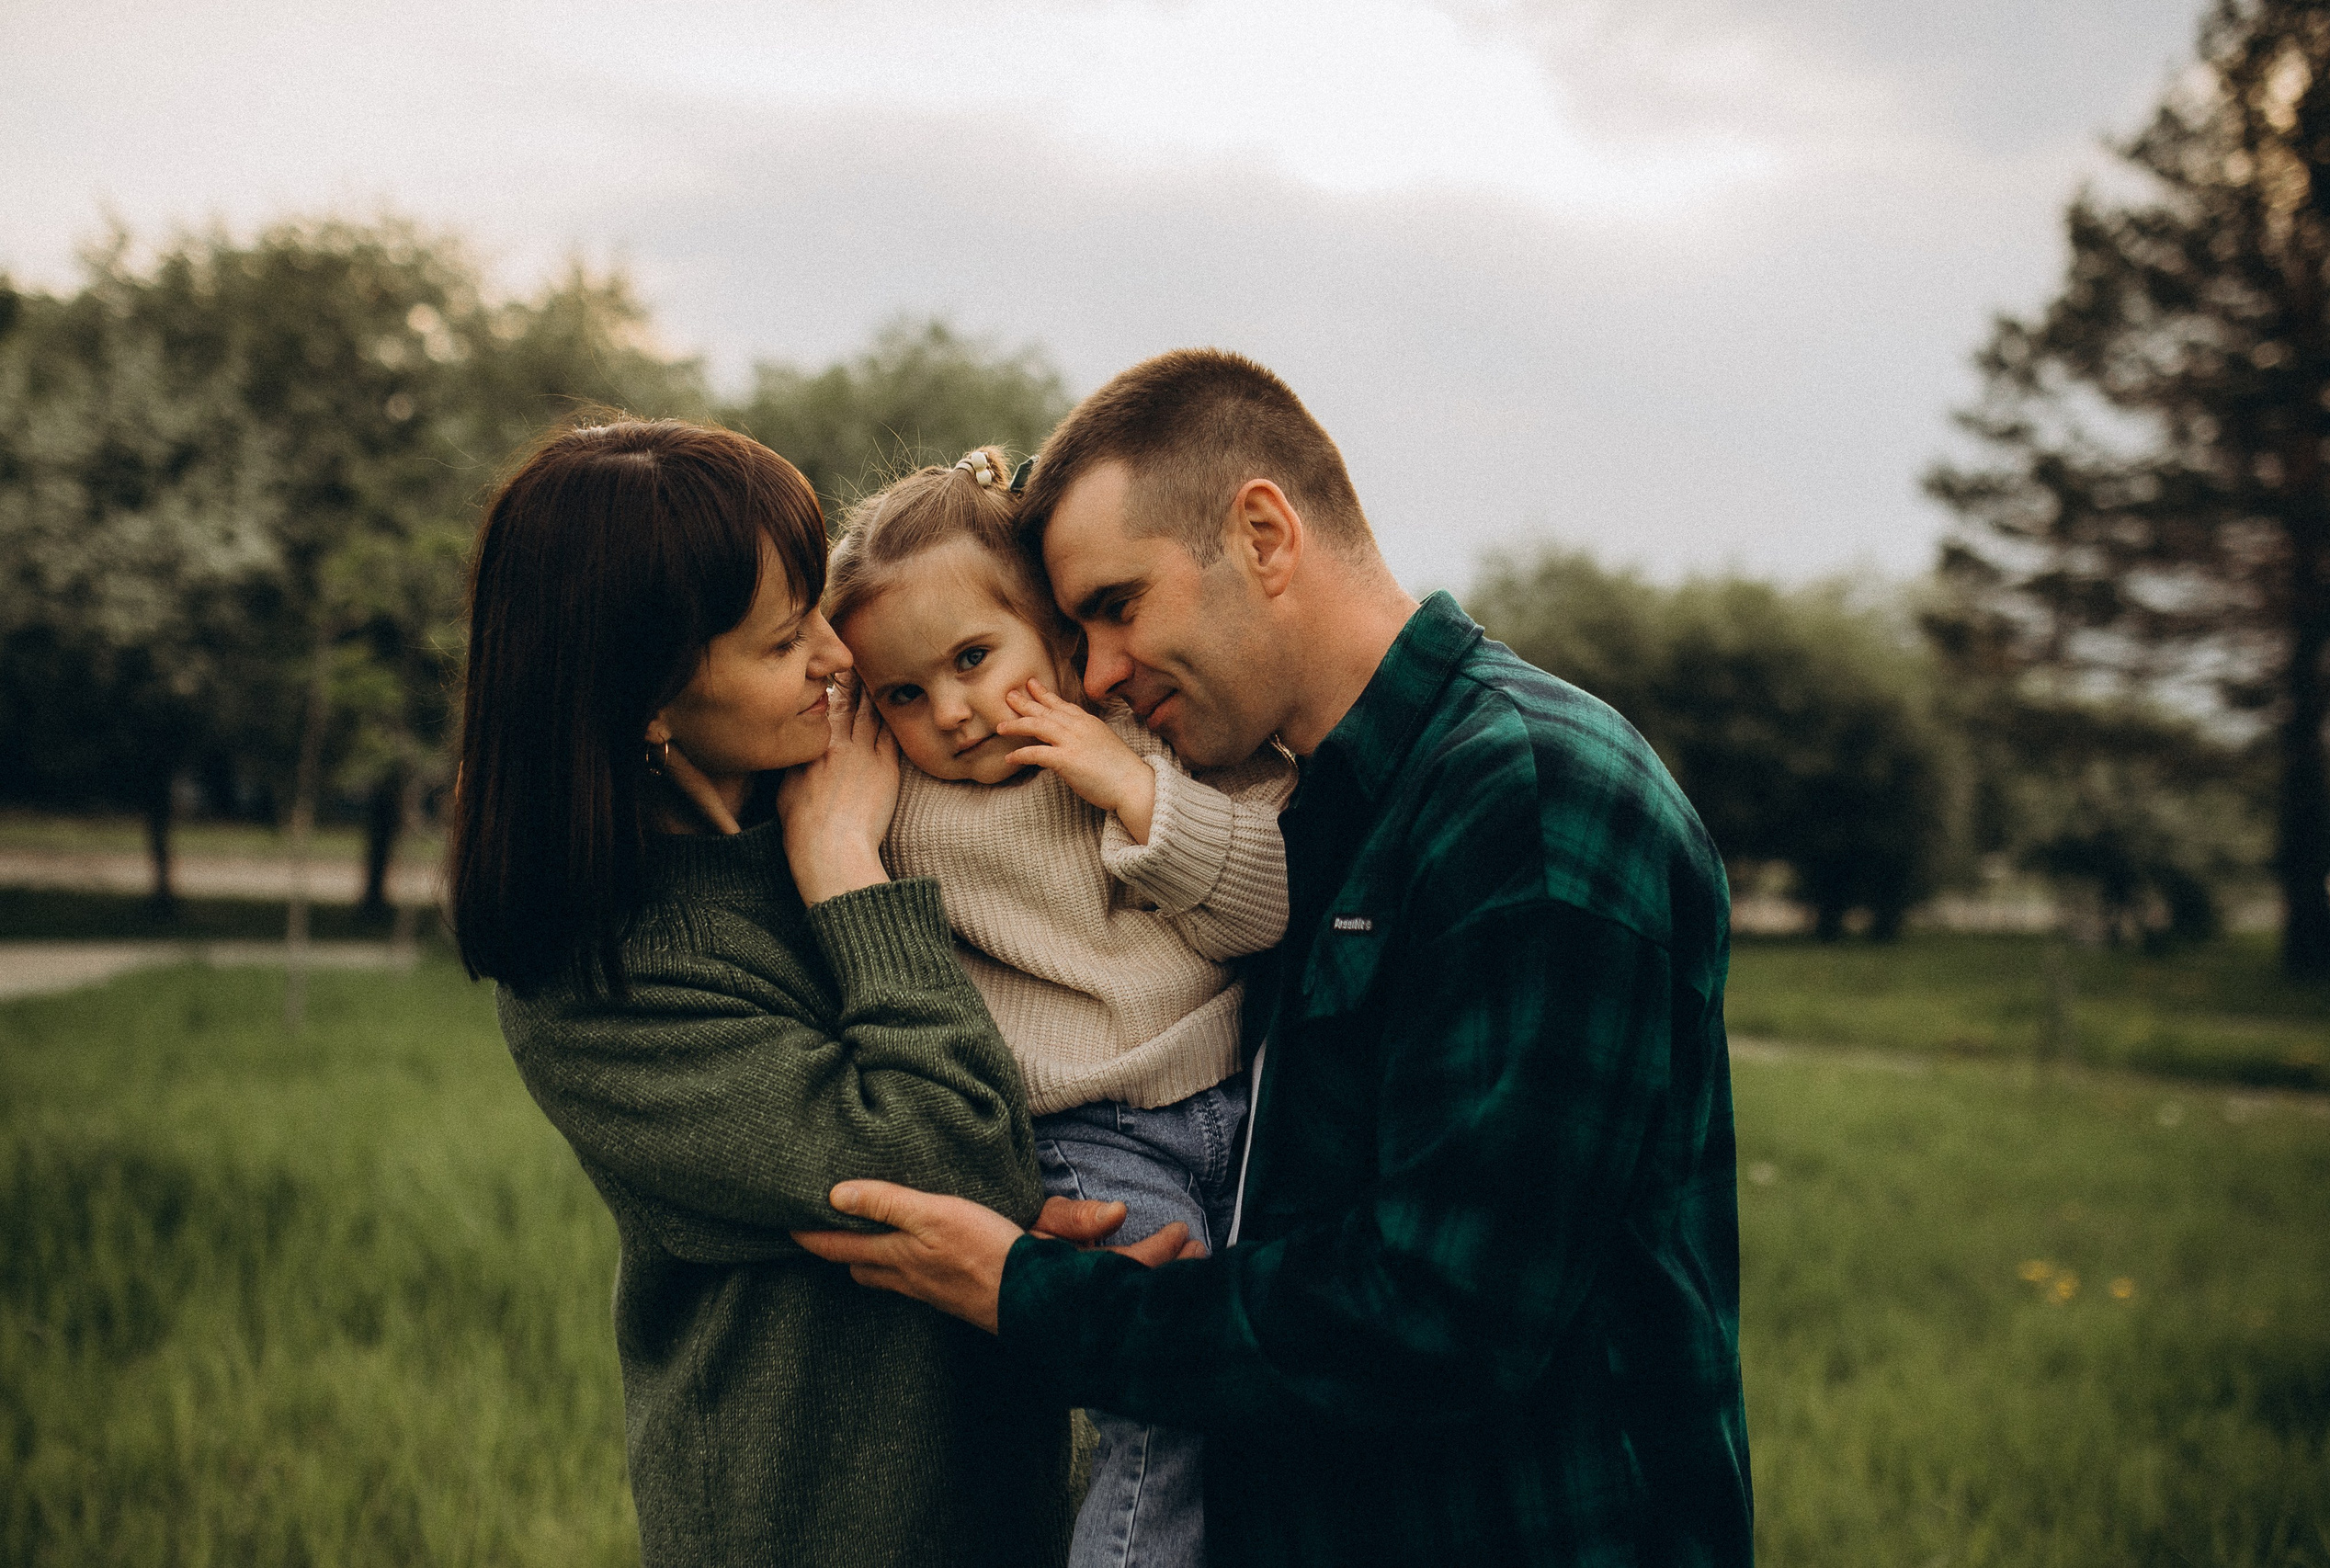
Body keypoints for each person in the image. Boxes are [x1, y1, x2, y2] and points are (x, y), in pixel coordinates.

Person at [796, 352, 1755, 1566]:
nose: (1093, 676)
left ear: (1262, 533)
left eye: (1117, 606)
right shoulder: (1318, 807)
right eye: (1072, 628)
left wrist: (1030, 1292)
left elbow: (1443, 1312)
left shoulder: (1531, 796)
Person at [447, 418, 1085, 1568]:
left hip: (1013, 1511)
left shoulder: (855, 779)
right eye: (787, 639)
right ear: (648, 701)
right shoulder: (600, 981)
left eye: (820, 615)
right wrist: (846, 867)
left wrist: (1058, 1259)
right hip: (814, 1527)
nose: (841, 660)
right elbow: (951, 1150)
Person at [823, 445, 1295, 1568]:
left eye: (976, 656)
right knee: (1159, 1404)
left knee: (1276, 1384)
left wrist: (1134, 789)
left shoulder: (1142, 742)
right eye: (905, 691)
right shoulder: (900, 809)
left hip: (1242, 1113)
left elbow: (1271, 904)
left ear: (1050, 624)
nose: (955, 709)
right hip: (1085, 1140)